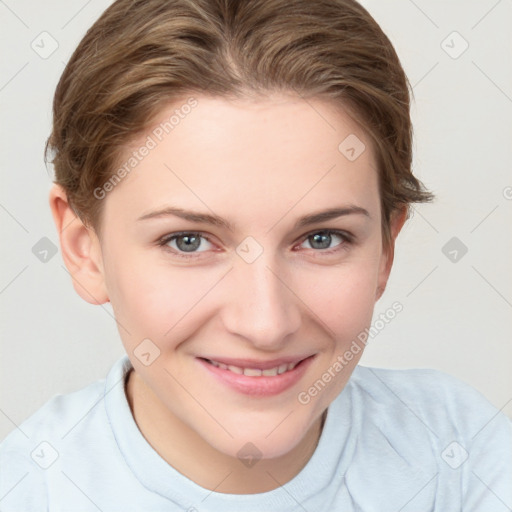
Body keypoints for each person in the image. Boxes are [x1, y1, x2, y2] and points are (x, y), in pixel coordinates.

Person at [1, 0, 511, 510]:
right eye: (189, 241)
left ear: (385, 248)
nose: (265, 325)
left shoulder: (464, 457)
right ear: (83, 249)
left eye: (322, 239)